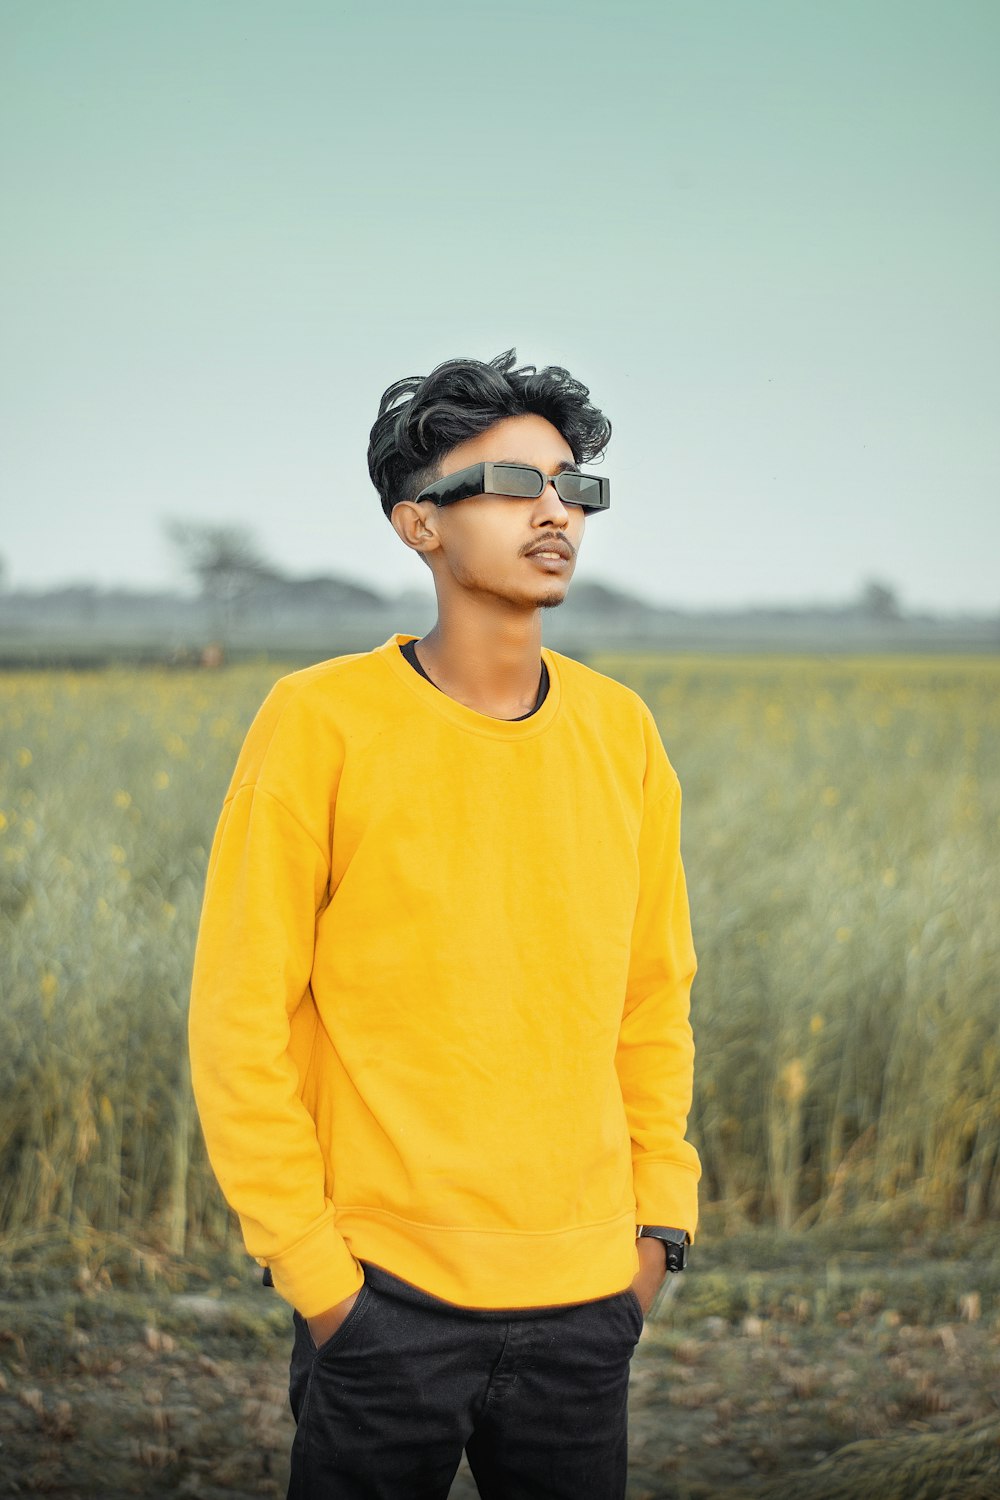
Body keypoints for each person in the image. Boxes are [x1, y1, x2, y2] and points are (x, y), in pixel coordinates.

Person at [188, 348, 700, 1500]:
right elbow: (238, 1021)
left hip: (585, 1310)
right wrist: (320, 1281)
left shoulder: (621, 736)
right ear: (419, 523)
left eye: (573, 486)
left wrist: (655, 1235)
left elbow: (651, 1001)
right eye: (513, 484)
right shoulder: (321, 723)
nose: (555, 510)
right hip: (381, 1308)